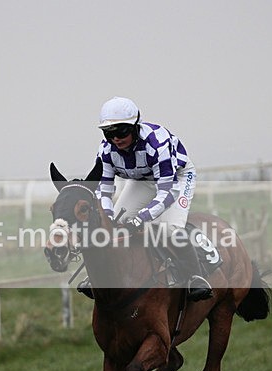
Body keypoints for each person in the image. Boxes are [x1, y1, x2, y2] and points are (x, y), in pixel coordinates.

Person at [77, 96, 213, 301]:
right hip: (141, 180)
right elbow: (103, 192)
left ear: (134, 126)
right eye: (108, 133)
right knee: (117, 223)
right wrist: (107, 216)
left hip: (176, 179)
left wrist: (141, 218)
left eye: (121, 131)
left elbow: (167, 192)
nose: (115, 138)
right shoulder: (106, 150)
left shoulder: (156, 143)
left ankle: (195, 276)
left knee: (168, 230)